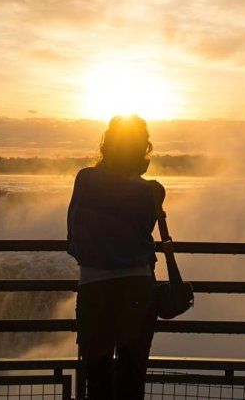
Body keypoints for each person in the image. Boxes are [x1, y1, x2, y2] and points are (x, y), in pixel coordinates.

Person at [67, 115, 166, 400]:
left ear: (107, 146)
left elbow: (73, 237)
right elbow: (141, 233)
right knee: (131, 381)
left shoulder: (85, 180)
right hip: (138, 289)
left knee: (97, 381)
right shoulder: (153, 191)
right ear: (142, 152)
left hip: (94, 288)